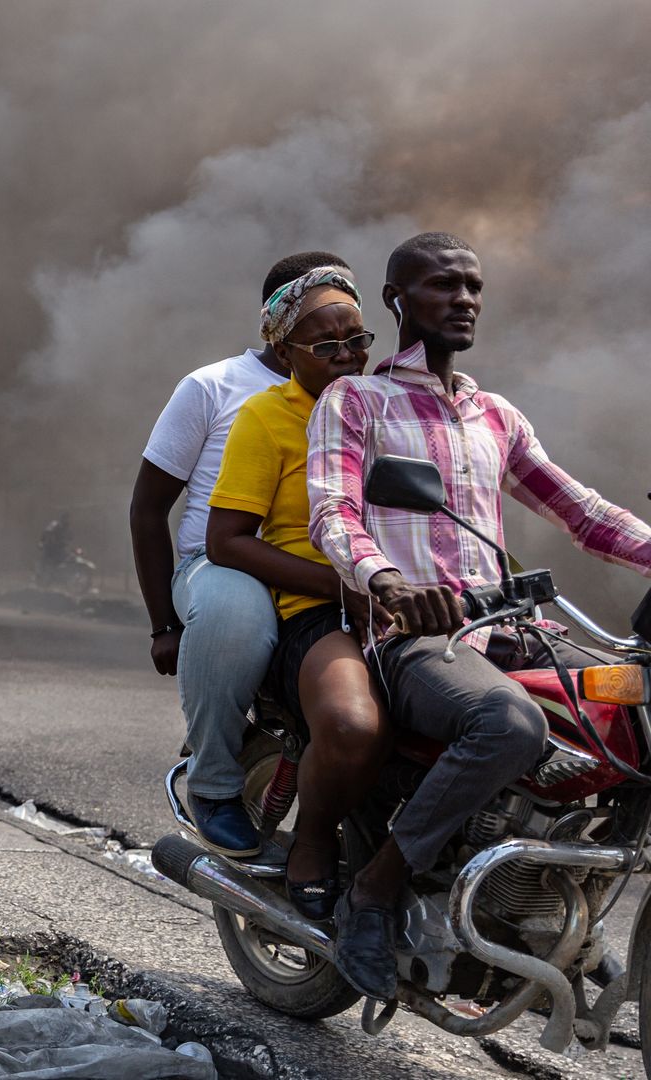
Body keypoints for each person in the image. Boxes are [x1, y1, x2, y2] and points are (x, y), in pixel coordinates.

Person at [308, 232, 651, 996]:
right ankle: (379, 884)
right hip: (415, 639)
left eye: (473, 287)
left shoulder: (493, 414)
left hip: (512, 632)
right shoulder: (357, 399)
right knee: (509, 725)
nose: (464, 300)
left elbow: (584, 514)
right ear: (398, 300)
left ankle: (561, 906)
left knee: (636, 717)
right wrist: (388, 582)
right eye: (443, 286)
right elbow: (333, 510)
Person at [129, 251, 349, 858]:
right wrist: (163, 626)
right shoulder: (213, 387)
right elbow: (149, 508)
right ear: (281, 328)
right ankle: (216, 783)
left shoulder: (361, 393)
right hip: (224, 562)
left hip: (326, 564)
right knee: (236, 615)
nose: (338, 335)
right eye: (318, 316)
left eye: (348, 321)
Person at [204, 266, 388, 919]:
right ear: (284, 353)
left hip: (401, 604)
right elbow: (226, 540)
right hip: (317, 610)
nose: (347, 357)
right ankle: (311, 847)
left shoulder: (392, 410)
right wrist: (342, 588)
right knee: (349, 723)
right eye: (325, 346)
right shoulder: (266, 417)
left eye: (356, 340)